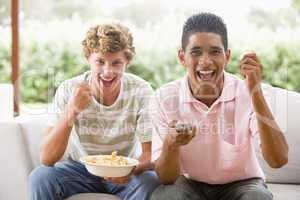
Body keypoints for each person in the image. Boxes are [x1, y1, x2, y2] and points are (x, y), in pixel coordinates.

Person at [150, 12, 289, 200]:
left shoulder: (247, 92)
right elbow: (166, 178)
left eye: (215, 52)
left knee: (257, 197)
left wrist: (255, 91)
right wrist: (171, 143)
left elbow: (278, 160)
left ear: (227, 56)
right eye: (196, 52)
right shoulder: (164, 97)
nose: (205, 61)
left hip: (243, 184)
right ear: (182, 58)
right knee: (165, 196)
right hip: (188, 183)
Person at [29, 22, 159, 200]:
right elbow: (47, 158)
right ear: (88, 59)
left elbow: (149, 152)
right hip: (80, 170)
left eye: (116, 63)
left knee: (151, 181)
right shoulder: (69, 89)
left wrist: (130, 171)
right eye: (100, 61)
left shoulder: (141, 90)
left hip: (126, 168)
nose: (108, 71)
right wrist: (72, 110)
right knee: (41, 177)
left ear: (127, 62)